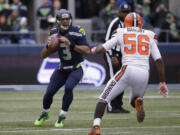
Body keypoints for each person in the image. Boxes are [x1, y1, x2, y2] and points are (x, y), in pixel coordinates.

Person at [88, 12, 168, 135]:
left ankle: (96, 127)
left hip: (127, 69)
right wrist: (162, 82)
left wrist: (94, 50)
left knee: (103, 99)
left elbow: (103, 48)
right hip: (144, 73)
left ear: (126, 23)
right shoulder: (150, 35)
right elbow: (159, 61)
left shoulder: (121, 32)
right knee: (134, 100)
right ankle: (138, 101)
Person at [34, 9, 90, 128]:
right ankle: (45, 113)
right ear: (58, 21)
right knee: (49, 92)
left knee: (69, 87)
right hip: (63, 67)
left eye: (67, 19)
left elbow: (87, 50)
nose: (65, 22)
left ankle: (62, 116)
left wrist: (71, 44)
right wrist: (48, 46)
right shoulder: (53, 32)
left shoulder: (78, 31)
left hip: (77, 66)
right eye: (62, 19)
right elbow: (43, 55)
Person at [104, 4, 130, 113]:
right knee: (113, 80)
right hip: (112, 53)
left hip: (122, 55)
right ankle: (110, 106)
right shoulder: (115, 23)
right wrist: (112, 56)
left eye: (127, 12)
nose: (125, 14)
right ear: (119, 12)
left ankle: (118, 105)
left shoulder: (130, 24)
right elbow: (107, 40)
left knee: (122, 80)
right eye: (123, 12)